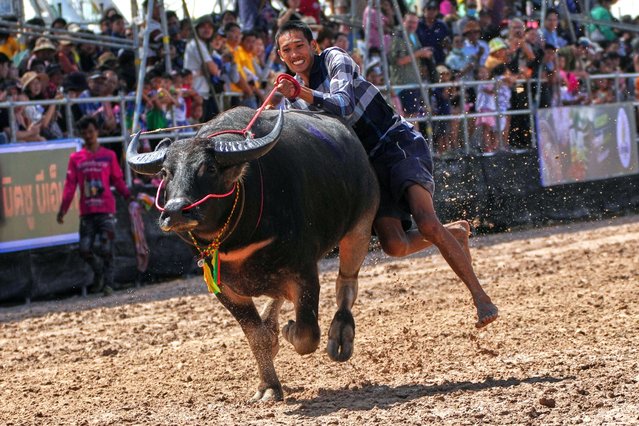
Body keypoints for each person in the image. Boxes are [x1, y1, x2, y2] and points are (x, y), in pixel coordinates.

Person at [273, 21, 498, 328]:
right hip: (366, 169)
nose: (295, 53)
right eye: (287, 50)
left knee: (428, 223)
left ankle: (481, 297)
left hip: (396, 143)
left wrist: (299, 91)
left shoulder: (334, 57)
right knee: (394, 245)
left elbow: (343, 104)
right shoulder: (294, 99)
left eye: (299, 45)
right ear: (280, 57)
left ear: (313, 46)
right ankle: (456, 232)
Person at [57, 115, 134, 296]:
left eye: (91, 132)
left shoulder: (109, 156)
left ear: (97, 132)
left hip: (106, 210)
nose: (88, 135)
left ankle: (108, 284)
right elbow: (70, 185)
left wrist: (128, 196)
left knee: (106, 248)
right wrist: (63, 209)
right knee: (84, 250)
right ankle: (99, 273)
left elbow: (117, 179)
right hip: (87, 212)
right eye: (85, 133)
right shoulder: (76, 158)